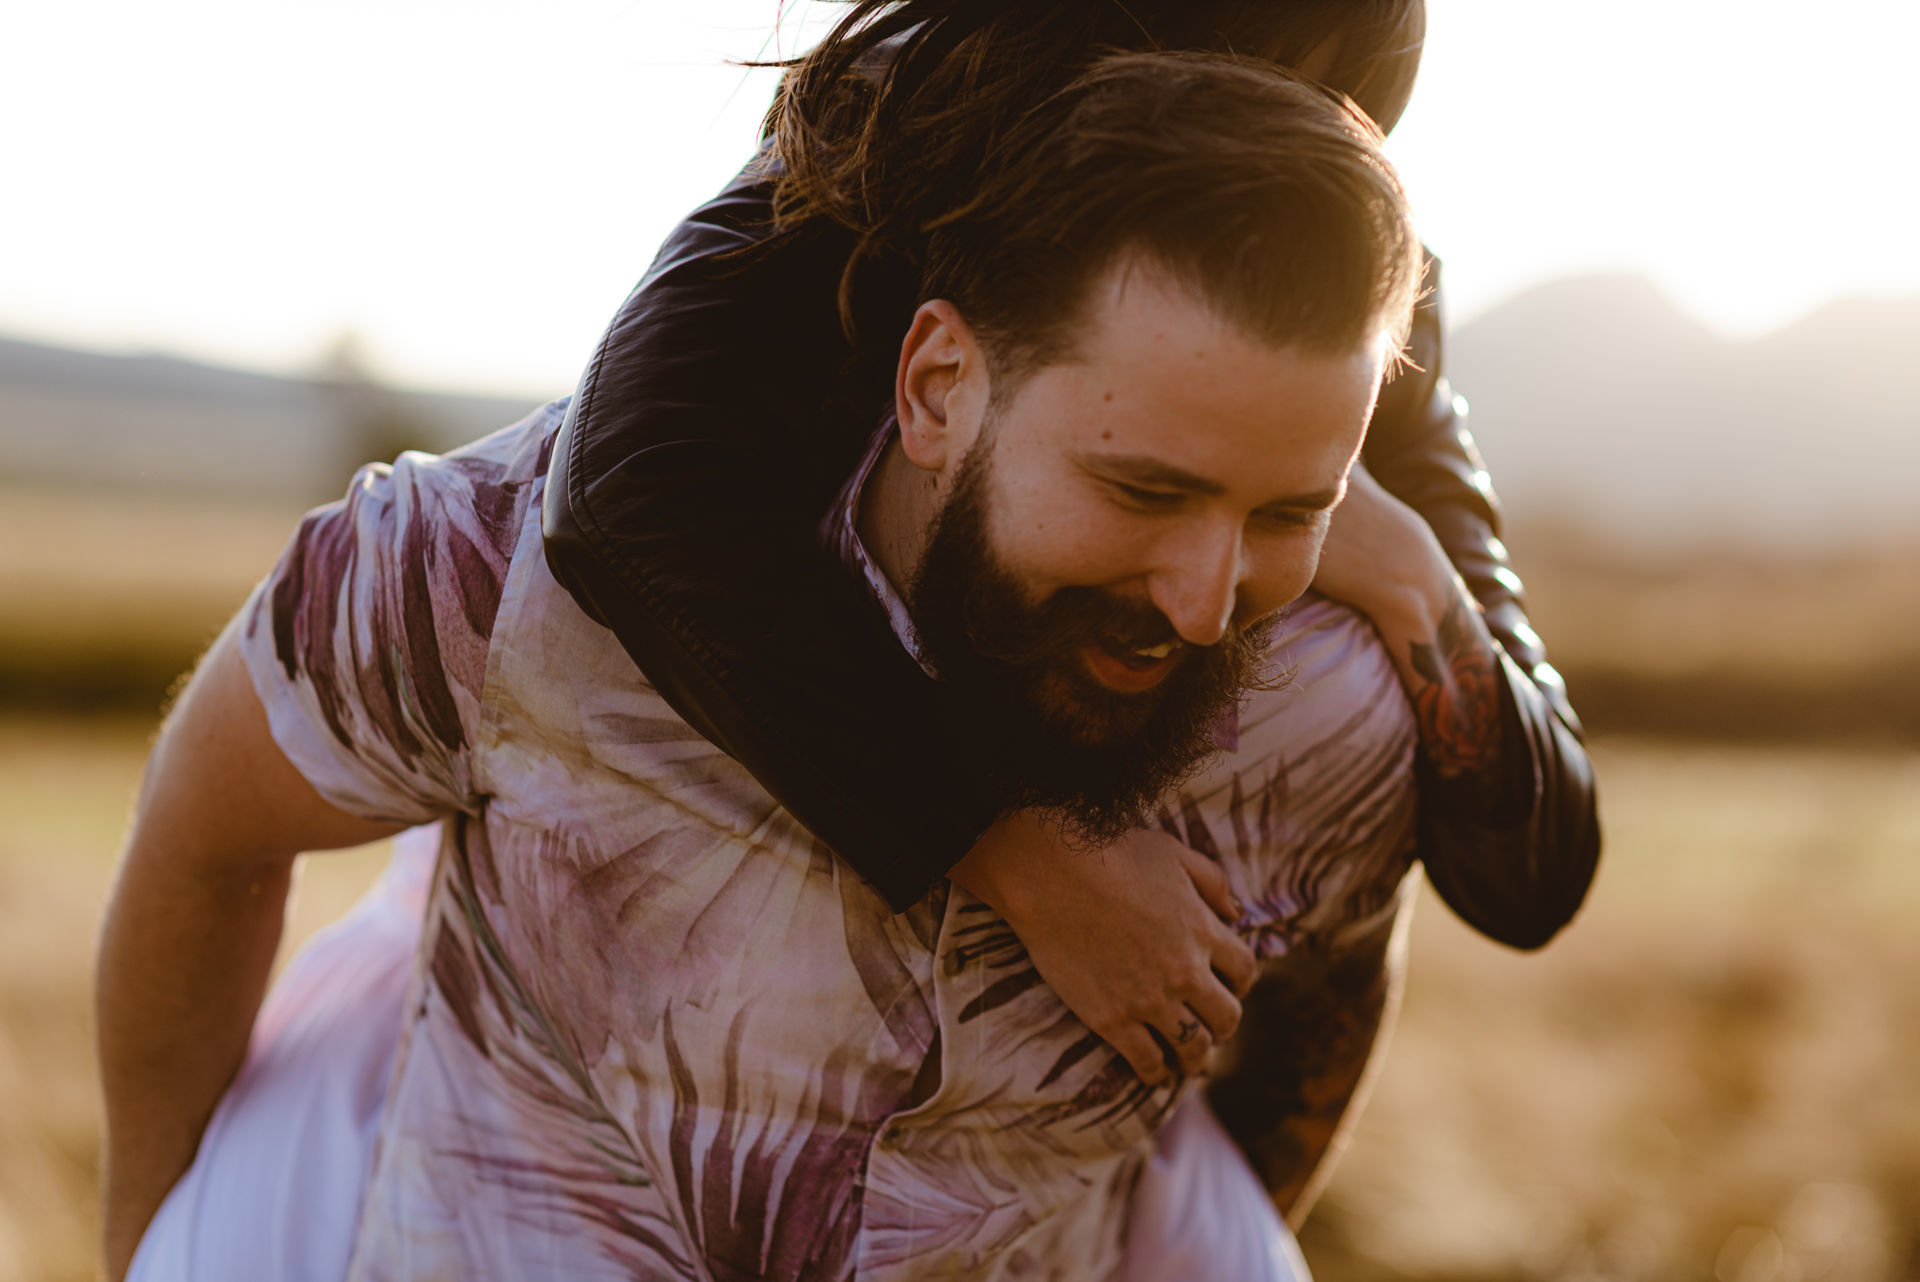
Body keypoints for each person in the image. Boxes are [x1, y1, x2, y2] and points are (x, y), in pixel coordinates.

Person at [102, 50, 1433, 1281]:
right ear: (936, 386)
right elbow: (209, 825)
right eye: (1141, 488)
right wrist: (144, 1244)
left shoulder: (1331, 713)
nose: (1208, 605)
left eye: (1291, 515)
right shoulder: (506, 581)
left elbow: (1308, 1031)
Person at [544, 0, 1600, 1099]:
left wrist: (1406, 567)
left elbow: (1535, 871)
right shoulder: (899, 135)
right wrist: (1023, 854)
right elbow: (623, 490)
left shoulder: (1356, 289)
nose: (1243, 152)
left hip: (1166, 1162)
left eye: (1315, 110)